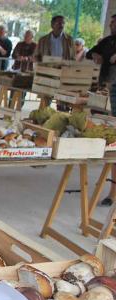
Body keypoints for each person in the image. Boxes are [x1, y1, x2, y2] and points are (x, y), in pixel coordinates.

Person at [87, 14, 116, 205]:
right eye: (112, 22)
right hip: (110, 86)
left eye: (115, 22)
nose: (112, 25)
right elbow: (91, 53)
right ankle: (113, 193)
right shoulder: (107, 41)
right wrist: (95, 55)